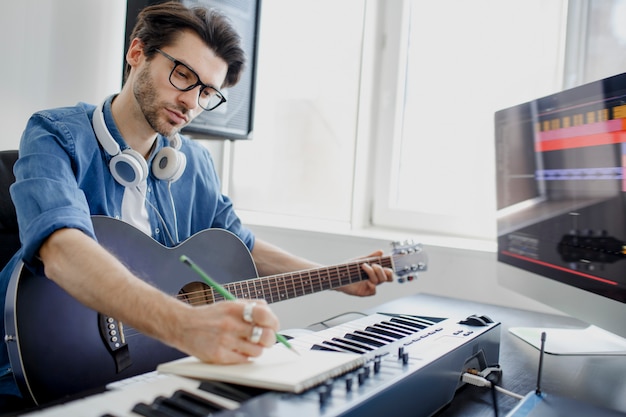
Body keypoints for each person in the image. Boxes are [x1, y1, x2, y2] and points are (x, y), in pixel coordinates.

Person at [0, 1, 393, 411]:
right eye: (183, 75)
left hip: (150, 375)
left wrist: (334, 277)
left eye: (207, 92)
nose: (191, 102)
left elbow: (244, 247)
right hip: (33, 376)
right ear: (137, 53)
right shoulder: (54, 134)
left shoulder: (194, 163)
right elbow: (62, 251)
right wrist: (185, 325)